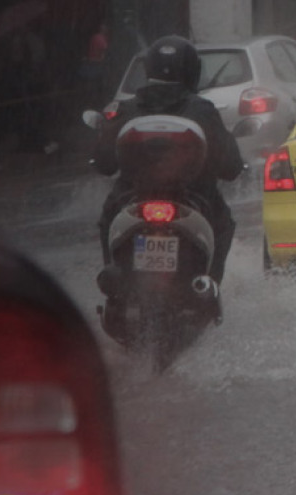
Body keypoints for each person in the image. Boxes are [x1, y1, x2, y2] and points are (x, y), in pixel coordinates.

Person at [91, 35, 244, 312]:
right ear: (192, 71)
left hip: (130, 200)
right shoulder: (203, 110)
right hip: (195, 200)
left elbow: (104, 163)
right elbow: (231, 167)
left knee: (107, 218)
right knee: (224, 223)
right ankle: (208, 286)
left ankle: (114, 283)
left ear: (149, 69)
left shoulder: (128, 108)